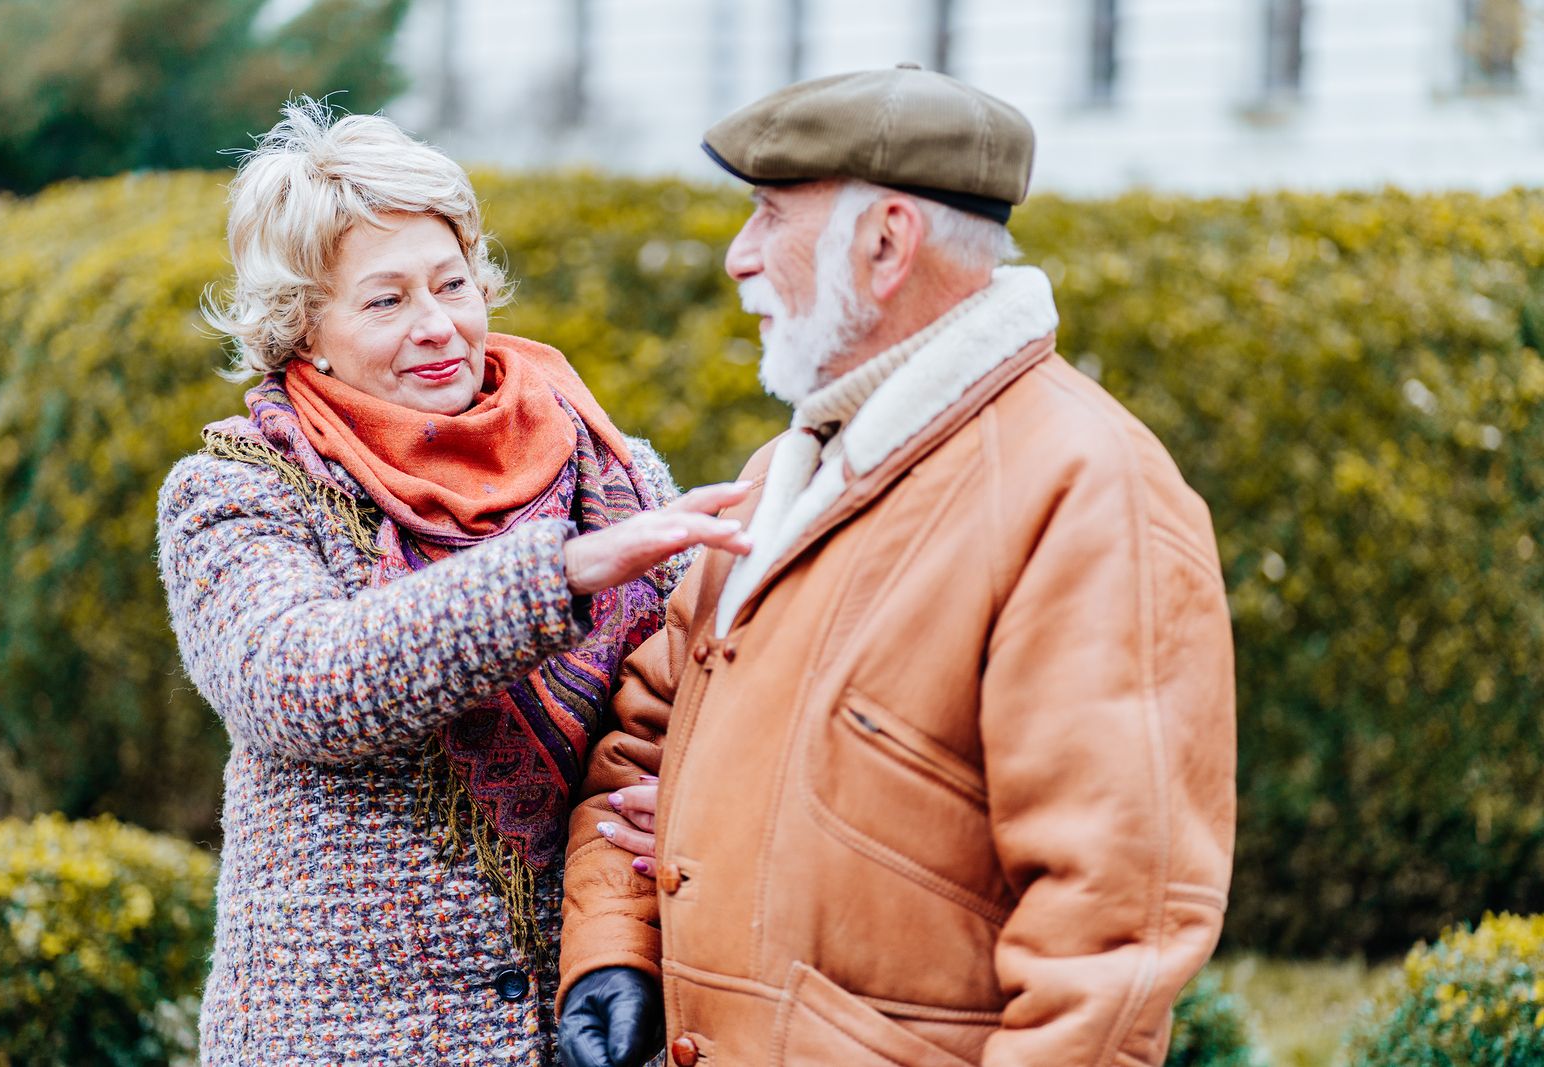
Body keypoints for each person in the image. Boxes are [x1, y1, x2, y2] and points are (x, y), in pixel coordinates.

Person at [556, 65, 1238, 1067]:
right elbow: (642, 746)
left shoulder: (1092, 490)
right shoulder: (783, 471)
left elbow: (1109, 939)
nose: (738, 256)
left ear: (884, 243)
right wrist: (615, 953)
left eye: (768, 214)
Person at [155, 100, 749, 1065]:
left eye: (453, 283)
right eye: (385, 301)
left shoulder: (610, 465)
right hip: (337, 1038)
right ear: (304, 331)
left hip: (594, 1017)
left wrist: (695, 794)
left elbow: (684, 697)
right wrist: (555, 573)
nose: (437, 325)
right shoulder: (235, 491)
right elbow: (299, 682)